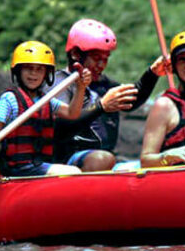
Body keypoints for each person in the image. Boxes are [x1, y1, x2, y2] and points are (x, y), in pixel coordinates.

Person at [53, 18, 171, 171]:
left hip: (110, 160)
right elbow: (59, 128)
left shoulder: (104, 83)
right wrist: (101, 106)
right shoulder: (61, 83)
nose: (101, 65)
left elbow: (130, 100)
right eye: (96, 59)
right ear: (76, 54)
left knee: (155, 166)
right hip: (69, 159)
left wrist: (152, 74)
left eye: (105, 59)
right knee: (102, 159)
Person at [0, 41, 90, 177]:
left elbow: (72, 113)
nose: (33, 74)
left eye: (39, 69)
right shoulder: (10, 99)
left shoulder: (47, 100)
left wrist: (81, 88)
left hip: (38, 165)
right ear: (18, 70)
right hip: (18, 167)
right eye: (28, 68)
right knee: (73, 172)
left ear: (46, 73)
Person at [140, 31, 185, 168]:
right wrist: (168, 156)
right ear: (174, 66)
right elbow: (145, 161)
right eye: (182, 59)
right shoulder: (165, 105)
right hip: (181, 180)